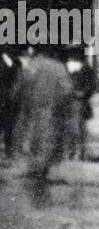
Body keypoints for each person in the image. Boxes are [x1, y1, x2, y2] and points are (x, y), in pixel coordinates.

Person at [13, 45, 76, 197]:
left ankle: (36, 170)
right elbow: (67, 91)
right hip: (52, 112)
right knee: (48, 141)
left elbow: (18, 90)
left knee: (33, 140)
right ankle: (42, 171)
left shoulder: (30, 66)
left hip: (32, 111)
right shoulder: (58, 67)